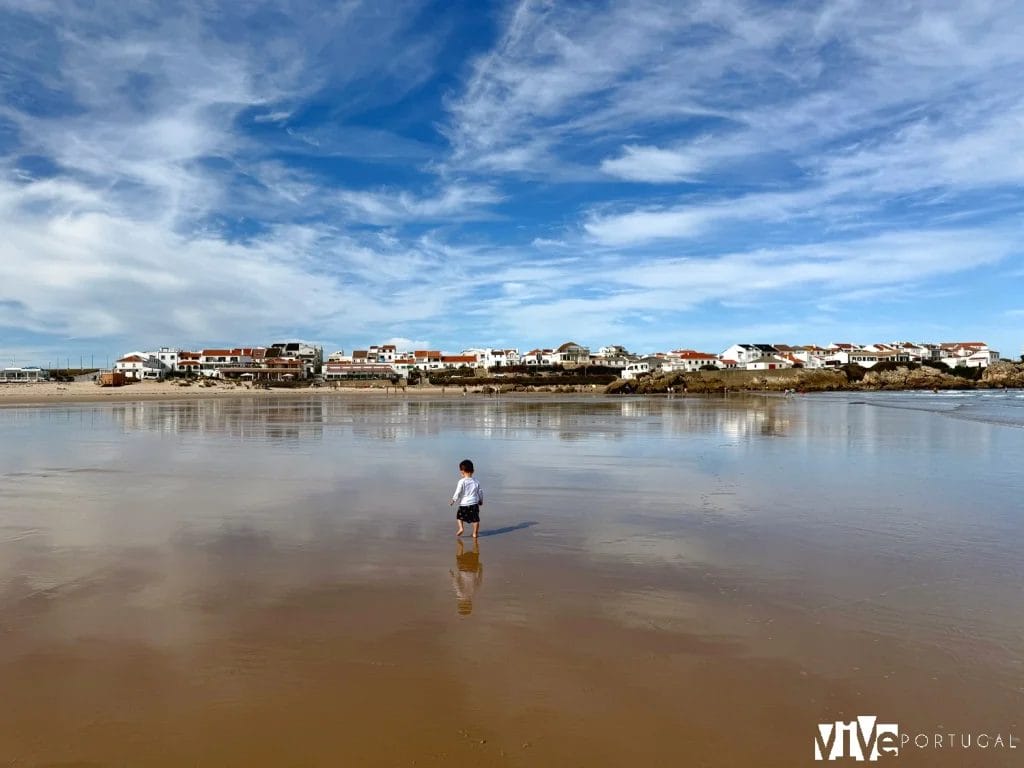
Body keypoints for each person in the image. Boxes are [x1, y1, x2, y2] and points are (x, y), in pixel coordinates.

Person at [449, 458, 483, 537]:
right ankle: (475, 533)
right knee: (476, 520)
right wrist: (481, 500)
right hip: (474, 503)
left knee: (459, 517)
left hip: (463, 504)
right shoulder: (476, 481)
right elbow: (480, 492)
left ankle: (461, 528)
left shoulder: (461, 481)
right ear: (473, 471)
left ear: (462, 472)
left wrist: (453, 500)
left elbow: (458, 492)